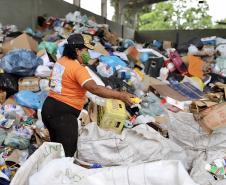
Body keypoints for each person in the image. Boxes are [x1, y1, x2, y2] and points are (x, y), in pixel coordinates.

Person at [41, 33, 135, 157]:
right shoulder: (77, 68)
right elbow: (94, 88)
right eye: (86, 50)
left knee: (57, 151)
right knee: (67, 155)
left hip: (49, 108)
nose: (88, 54)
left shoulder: (61, 61)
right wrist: (120, 95)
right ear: (77, 51)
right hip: (63, 116)